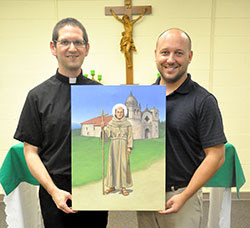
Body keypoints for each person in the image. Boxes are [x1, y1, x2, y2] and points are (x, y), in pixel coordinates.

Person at [14, 18, 108, 228]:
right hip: (55, 190)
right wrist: (53, 190)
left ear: (87, 48)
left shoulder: (102, 93)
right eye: (65, 42)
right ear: (53, 48)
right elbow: (30, 152)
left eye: (78, 42)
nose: (72, 48)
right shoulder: (37, 96)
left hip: (95, 188)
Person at [137, 28, 227, 228]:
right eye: (165, 52)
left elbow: (216, 156)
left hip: (182, 198)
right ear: (155, 55)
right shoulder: (144, 98)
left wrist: (184, 195)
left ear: (190, 56)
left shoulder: (203, 101)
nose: (170, 59)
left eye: (179, 53)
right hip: (145, 197)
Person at [101, 104, 133, 196]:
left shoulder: (127, 124)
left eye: (121, 112)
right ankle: (112, 186)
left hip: (123, 145)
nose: (119, 114)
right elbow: (106, 137)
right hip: (114, 146)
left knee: (123, 165)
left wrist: (129, 147)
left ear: (124, 113)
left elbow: (130, 136)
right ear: (115, 113)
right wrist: (103, 129)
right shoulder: (111, 124)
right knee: (112, 165)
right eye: (118, 112)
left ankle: (123, 187)